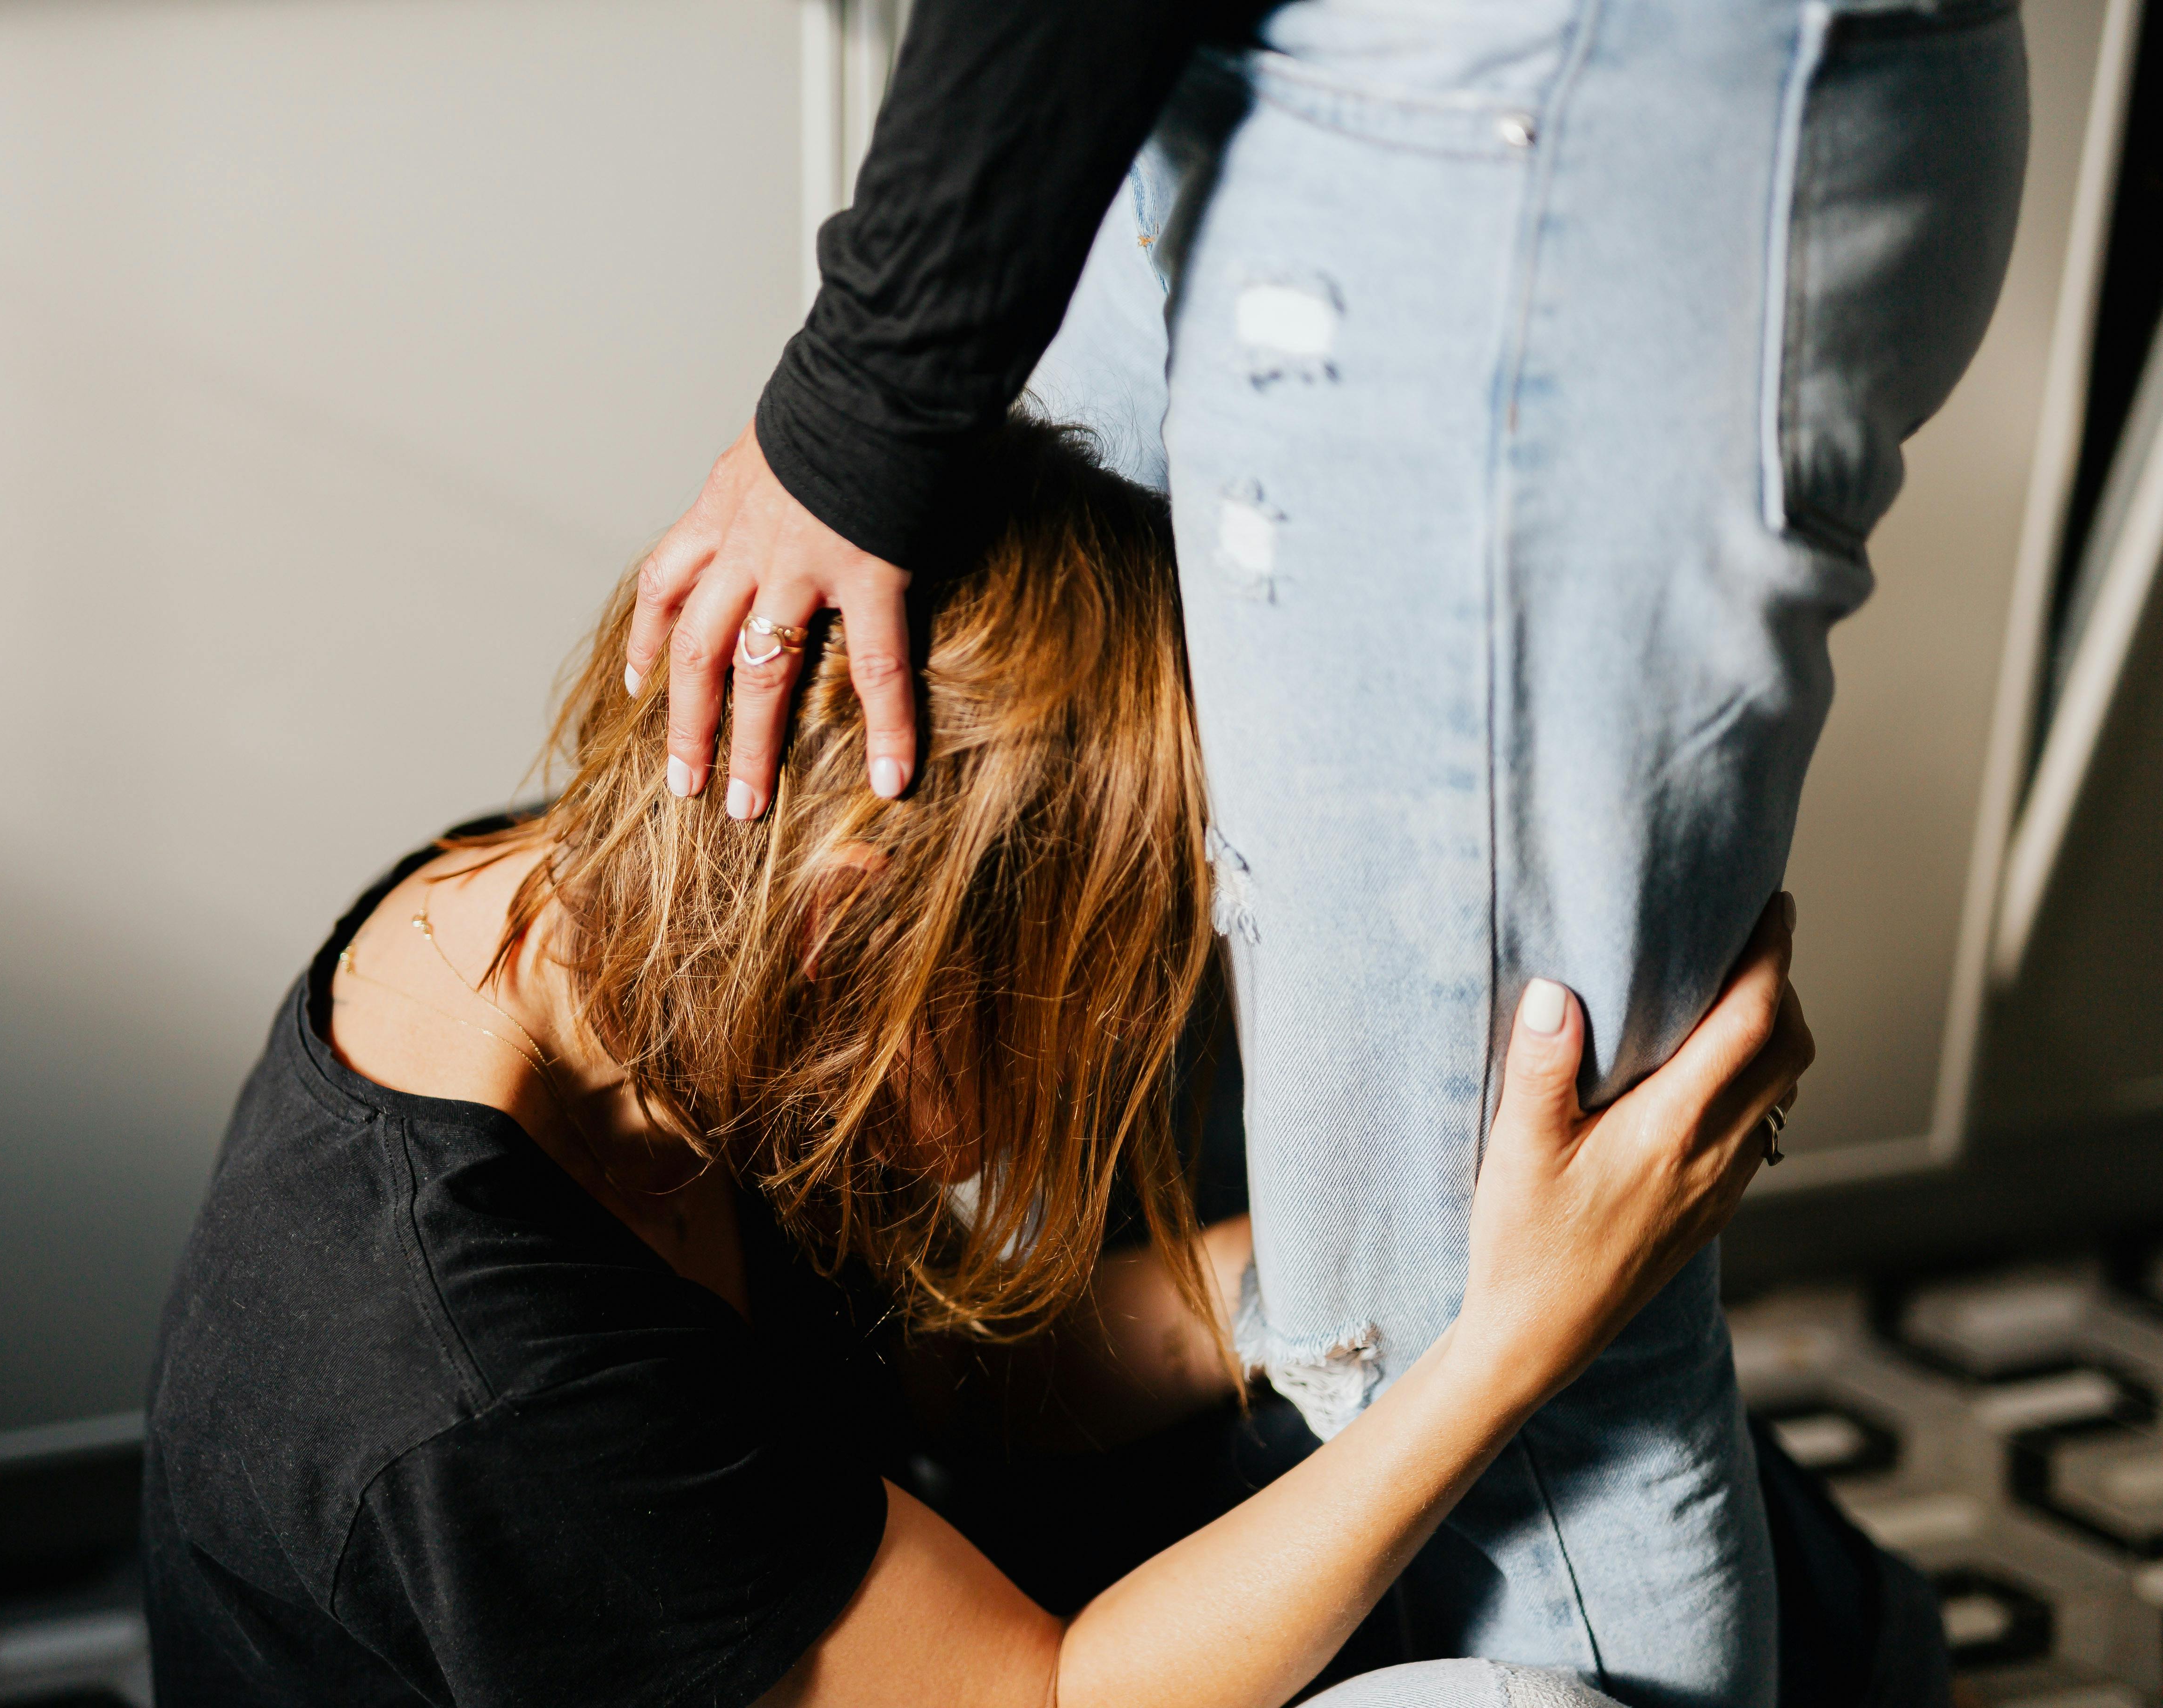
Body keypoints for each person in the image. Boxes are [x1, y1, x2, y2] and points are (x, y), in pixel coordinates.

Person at [624, 3, 2027, 1702]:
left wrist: (867, 387)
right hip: (1174, 77)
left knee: (1504, 1303)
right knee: (1200, 1097)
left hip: (1505, 105)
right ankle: (1853, 1651)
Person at [141, 421, 1818, 1708]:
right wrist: (1511, 1342)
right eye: (1093, 981)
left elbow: (941, 1377)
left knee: (1639, 1466)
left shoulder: (626, 910)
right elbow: (1041, 1694)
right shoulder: (480, 1394)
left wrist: (1401, 1269)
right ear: (855, 932)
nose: (1121, 1039)